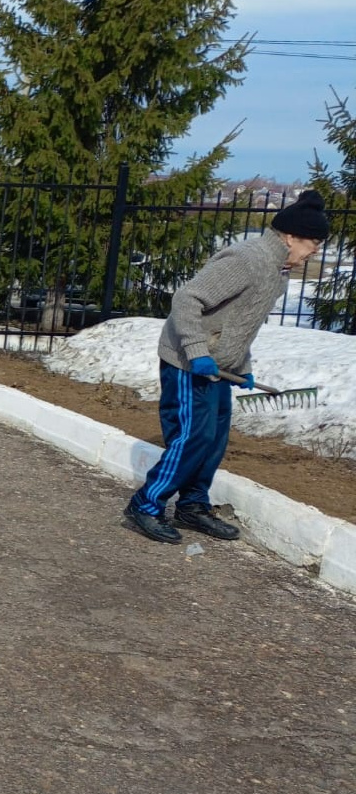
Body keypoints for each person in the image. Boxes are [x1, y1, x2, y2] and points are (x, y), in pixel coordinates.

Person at [124, 190, 330, 544]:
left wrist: (241, 364)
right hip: (188, 362)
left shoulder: (278, 273)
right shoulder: (248, 259)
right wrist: (196, 351)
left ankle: (192, 506)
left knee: (214, 440)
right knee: (193, 437)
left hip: (218, 366)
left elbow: (240, 323)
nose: (315, 251)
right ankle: (145, 505)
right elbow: (187, 298)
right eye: (313, 243)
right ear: (291, 236)